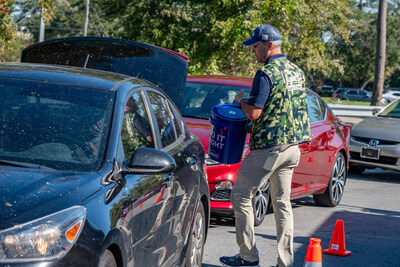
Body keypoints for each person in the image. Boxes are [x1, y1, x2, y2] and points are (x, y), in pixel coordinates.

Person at [219, 25, 311, 267]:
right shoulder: (297, 72)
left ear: (269, 45)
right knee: (282, 203)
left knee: (240, 196)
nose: (253, 52)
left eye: (256, 46)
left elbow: (255, 113)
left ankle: (247, 257)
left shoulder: (266, 73)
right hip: (293, 148)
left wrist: (240, 101)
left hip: (269, 148)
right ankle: (285, 262)